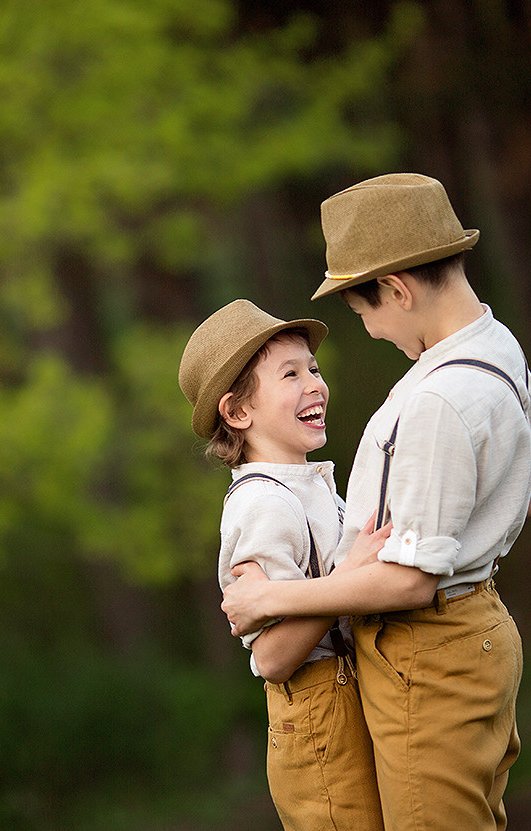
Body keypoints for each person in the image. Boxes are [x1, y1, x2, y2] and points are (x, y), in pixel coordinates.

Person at [222, 173, 531, 831]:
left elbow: (408, 579)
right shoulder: (500, 351)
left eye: (363, 311)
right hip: (474, 629)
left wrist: (271, 598)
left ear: (397, 290)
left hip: (430, 649)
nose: (368, 331)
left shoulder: (436, 399)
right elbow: (522, 500)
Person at [178, 299, 390, 831]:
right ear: (237, 413)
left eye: (313, 369)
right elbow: (273, 657)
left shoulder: (309, 485)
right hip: (318, 713)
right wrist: (350, 575)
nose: (315, 385)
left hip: (354, 693)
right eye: (290, 375)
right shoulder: (263, 503)